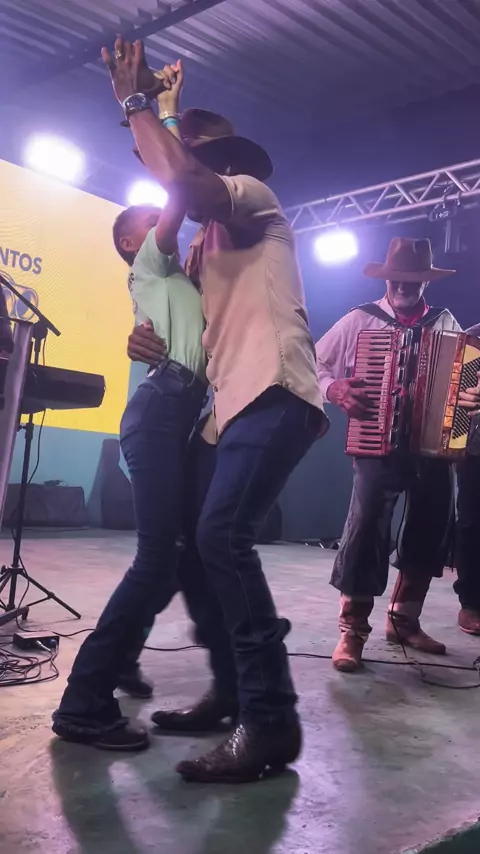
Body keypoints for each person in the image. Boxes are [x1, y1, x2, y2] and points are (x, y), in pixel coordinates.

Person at [101, 39, 327, 783]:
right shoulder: (200, 252)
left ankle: (270, 721)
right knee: (197, 547)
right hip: (223, 407)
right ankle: (231, 691)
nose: (180, 168)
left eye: (194, 156)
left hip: (273, 391)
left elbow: (185, 183)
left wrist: (143, 105)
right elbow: (181, 317)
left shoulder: (252, 200)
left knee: (222, 536)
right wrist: (144, 339)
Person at [52, 68, 209, 751]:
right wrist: (162, 113)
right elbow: (180, 189)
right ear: (130, 242)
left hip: (180, 409)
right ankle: (83, 703)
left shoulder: (179, 278)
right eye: (149, 221)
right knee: (157, 557)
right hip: (161, 410)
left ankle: (117, 662)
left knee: (171, 556)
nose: (163, 221)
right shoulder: (149, 263)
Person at [315, 236, 479, 672]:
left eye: (412, 280)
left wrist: (469, 397)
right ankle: (352, 630)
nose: (403, 286)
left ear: (426, 281)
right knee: (366, 527)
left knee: (432, 526)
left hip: (433, 446)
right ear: (386, 279)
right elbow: (314, 362)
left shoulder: (445, 322)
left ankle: (404, 620)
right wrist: (334, 389)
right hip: (376, 442)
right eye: (396, 279)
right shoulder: (360, 319)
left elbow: (464, 380)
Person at [454, 322, 480, 635]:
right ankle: (471, 603)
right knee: (472, 524)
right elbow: (451, 391)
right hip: (475, 446)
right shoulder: (472, 339)